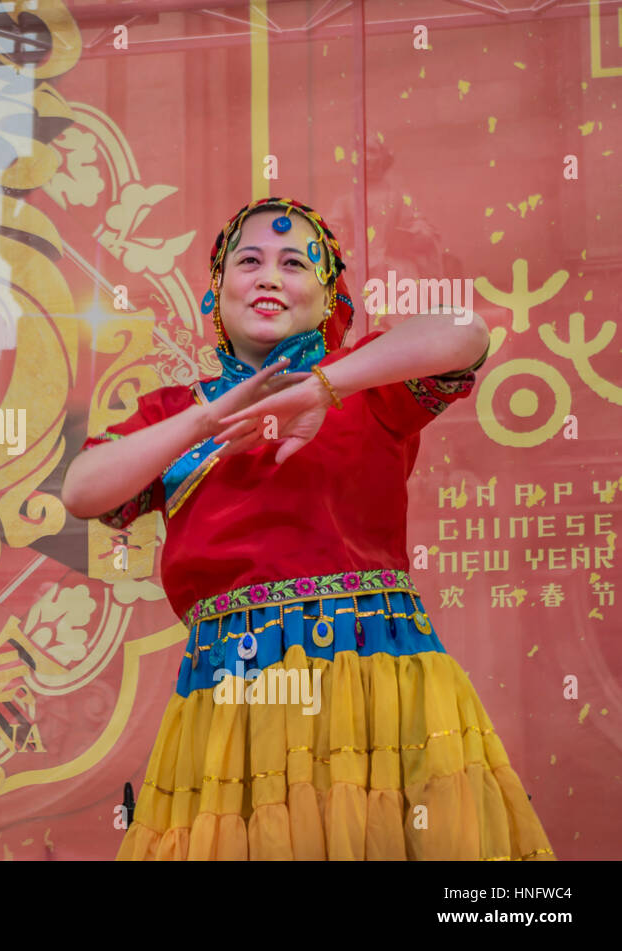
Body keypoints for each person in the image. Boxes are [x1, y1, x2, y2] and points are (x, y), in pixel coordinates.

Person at [63, 197, 554, 860]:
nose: (270, 276)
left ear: (330, 300)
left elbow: (466, 333)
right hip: (236, 709)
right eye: (250, 261)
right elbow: (82, 490)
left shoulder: (367, 386)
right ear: (217, 291)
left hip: (377, 686)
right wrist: (205, 419)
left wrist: (321, 387)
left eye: (295, 263)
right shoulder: (175, 416)